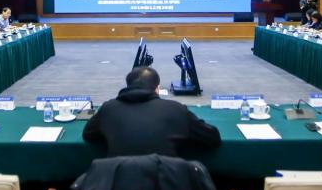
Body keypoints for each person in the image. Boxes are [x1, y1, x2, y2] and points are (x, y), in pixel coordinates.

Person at [83, 66, 221, 157]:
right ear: (157, 89)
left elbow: (88, 135)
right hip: (166, 188)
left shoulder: (108, 108)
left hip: (119, 187)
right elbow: (213, 138)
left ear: (128, 85)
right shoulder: (176, 109)